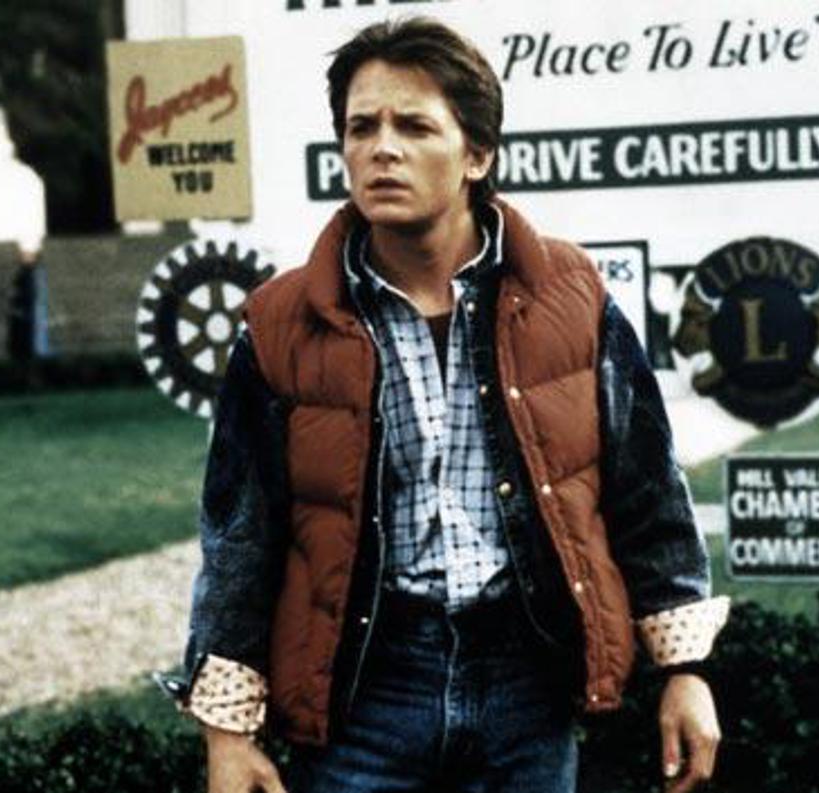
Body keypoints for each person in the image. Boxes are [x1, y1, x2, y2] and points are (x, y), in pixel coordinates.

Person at [162, 17, 730, 793]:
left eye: (414, 126)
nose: (381, 148)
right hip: (365, 695)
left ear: (477, 154)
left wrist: (684, 671)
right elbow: (240, 536)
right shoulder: (280, 323)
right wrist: (227, 732)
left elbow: (647, 491)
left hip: (526, 689)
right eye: (361, 127)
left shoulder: (570, 298)